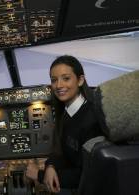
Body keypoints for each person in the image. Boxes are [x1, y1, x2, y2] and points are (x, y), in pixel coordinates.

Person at [26, 55, 102, 193]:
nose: (59, 85)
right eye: (54, 80)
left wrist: (39, 175)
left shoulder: (92, 119)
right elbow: (63, 151)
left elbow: (88, 174)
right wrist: (50, 166)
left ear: (80, 80)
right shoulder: (67, 111)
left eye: (66, 78)